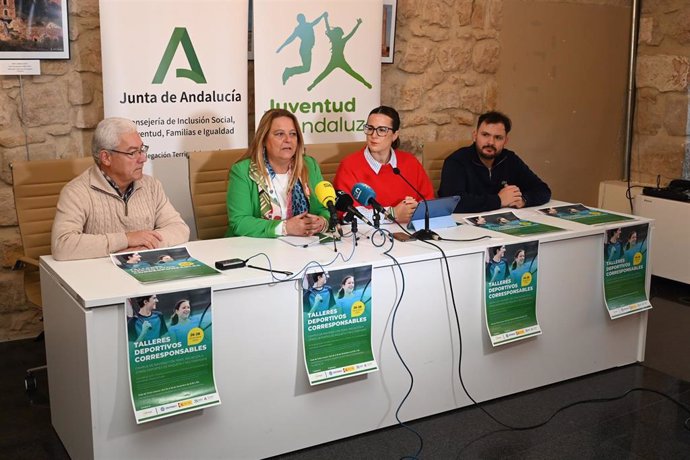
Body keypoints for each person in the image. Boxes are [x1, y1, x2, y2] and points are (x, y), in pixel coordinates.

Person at [51, 117, 190, 261]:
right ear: (106, 158)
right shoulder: (76, 192)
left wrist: (147, 245)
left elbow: (179, 228)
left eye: (141, 150)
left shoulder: (152, 186)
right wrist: (126, 240)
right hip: (99, 277)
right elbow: (62, 245)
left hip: (142, 270)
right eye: (132, 153)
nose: (143, 158)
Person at [226, 109, 331, 238]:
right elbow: (240, 222)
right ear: (263, 139)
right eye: (280, 134)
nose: (288, 140)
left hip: (303, 246)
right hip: (256, 248)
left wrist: (321, 222)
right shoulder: (242, 171)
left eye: (293, 134)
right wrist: (285, 227)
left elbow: (324, 209)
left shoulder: (308, 166)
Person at [334, 106, 434, 223]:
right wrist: (391, 214)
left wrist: (416, 209)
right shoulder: (349, 165)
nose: (374, 135)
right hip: (370, 237)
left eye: (381, 130)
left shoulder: (410, 162)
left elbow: (429, 202)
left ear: (395, 135)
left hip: (410, 232)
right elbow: (347, 215)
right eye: (370, 128)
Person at [438, 111, 551, 213]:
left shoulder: (509, 159)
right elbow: (452, 202)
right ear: (475, 135)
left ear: (505, 141)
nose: (490, 142)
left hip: (504, 223)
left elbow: (543, 190)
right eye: (485, 135)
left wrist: (524, 200)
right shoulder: (457, 161)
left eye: (498, 137)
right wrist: (499, 200)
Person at [276, 12, 327, 84]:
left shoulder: (308, 25)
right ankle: (288, 71)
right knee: (306, 68)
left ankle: (289, 71)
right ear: (299, 20)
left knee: (306, 68)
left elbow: (316, 21)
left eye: (304, 18)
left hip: (307, 49)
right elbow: (291, 38)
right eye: (302, 18)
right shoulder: (299, 28)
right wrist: (281, 47)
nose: (304, 19)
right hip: (305, 49)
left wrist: (322, 16)